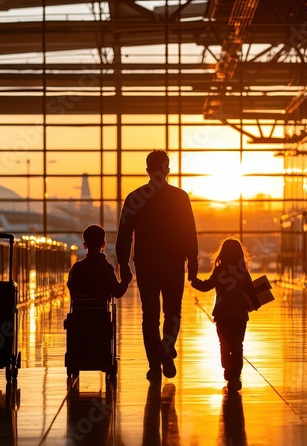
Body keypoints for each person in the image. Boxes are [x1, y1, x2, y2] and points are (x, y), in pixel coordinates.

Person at [116, 149, 198, 381]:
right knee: (173, 311)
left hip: (146, 264)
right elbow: (189, 232)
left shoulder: (135, 197)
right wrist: (193, 261)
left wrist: (123, 263)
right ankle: (165, 349)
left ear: (147, 170)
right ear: (167, 169)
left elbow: (125, 234)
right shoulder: (180, 197)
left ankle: (155, 364)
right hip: (173, 264)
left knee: (149, 315)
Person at [191, 238, 259, 391]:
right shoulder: (243, 272)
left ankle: (227, 366)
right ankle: (235, 377)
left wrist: (194, 280)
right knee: (237, 346)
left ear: (223, 253)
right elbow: (251, 293)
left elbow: (206, 286)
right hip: (240, 316)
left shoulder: (220, 271)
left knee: (224, 344)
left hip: (222, 315)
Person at [68, 224, 128, 300]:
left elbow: (72, 289)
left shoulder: (77, 268)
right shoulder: (106, 268)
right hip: (101, 311)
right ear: (104, 244)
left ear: (84, 245)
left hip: (80, 311)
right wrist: (125, 281)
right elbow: (118, 293)